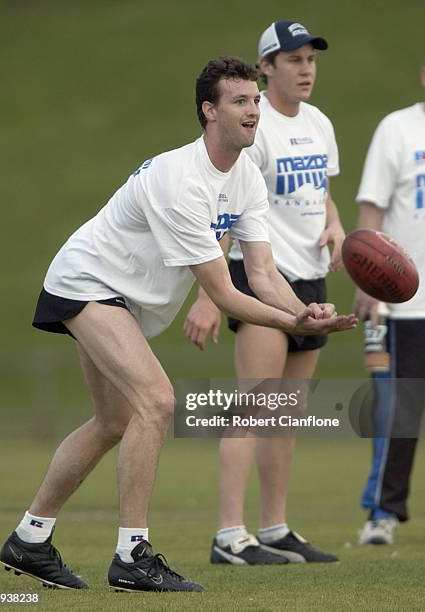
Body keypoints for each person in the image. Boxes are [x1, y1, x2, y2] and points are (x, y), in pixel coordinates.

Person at [0, 56, 356, 593]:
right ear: (209, 112)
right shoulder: (183, 180)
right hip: (86, 283)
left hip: (123, 299)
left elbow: (261, 271)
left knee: (112, 422)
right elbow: (224, 294)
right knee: (158, 401)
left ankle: (29, 539)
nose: (253, 110)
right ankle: (132, 557)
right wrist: (292, 317)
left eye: (255, 100)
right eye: (240, 101)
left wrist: (302, 314)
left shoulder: (245, 178)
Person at [184, 21, 346, 564]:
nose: (306, 69)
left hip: (310, 279)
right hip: (260, 279)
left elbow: (321, 190)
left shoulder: (319, 123)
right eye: (293, 60)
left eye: (311, 60)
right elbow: (233, 207)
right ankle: (229, 534)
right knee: (254, 407)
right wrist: (211, 295)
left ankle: (275, 527)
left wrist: (336, 227)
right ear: (267, 68)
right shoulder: (255, 126)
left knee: (286, 414)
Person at [355, 63, 425, 546]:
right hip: (405, 306)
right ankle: (382, 513)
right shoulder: (397, 129)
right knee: (398, 411)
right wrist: (368, 287)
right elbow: (371, 211)